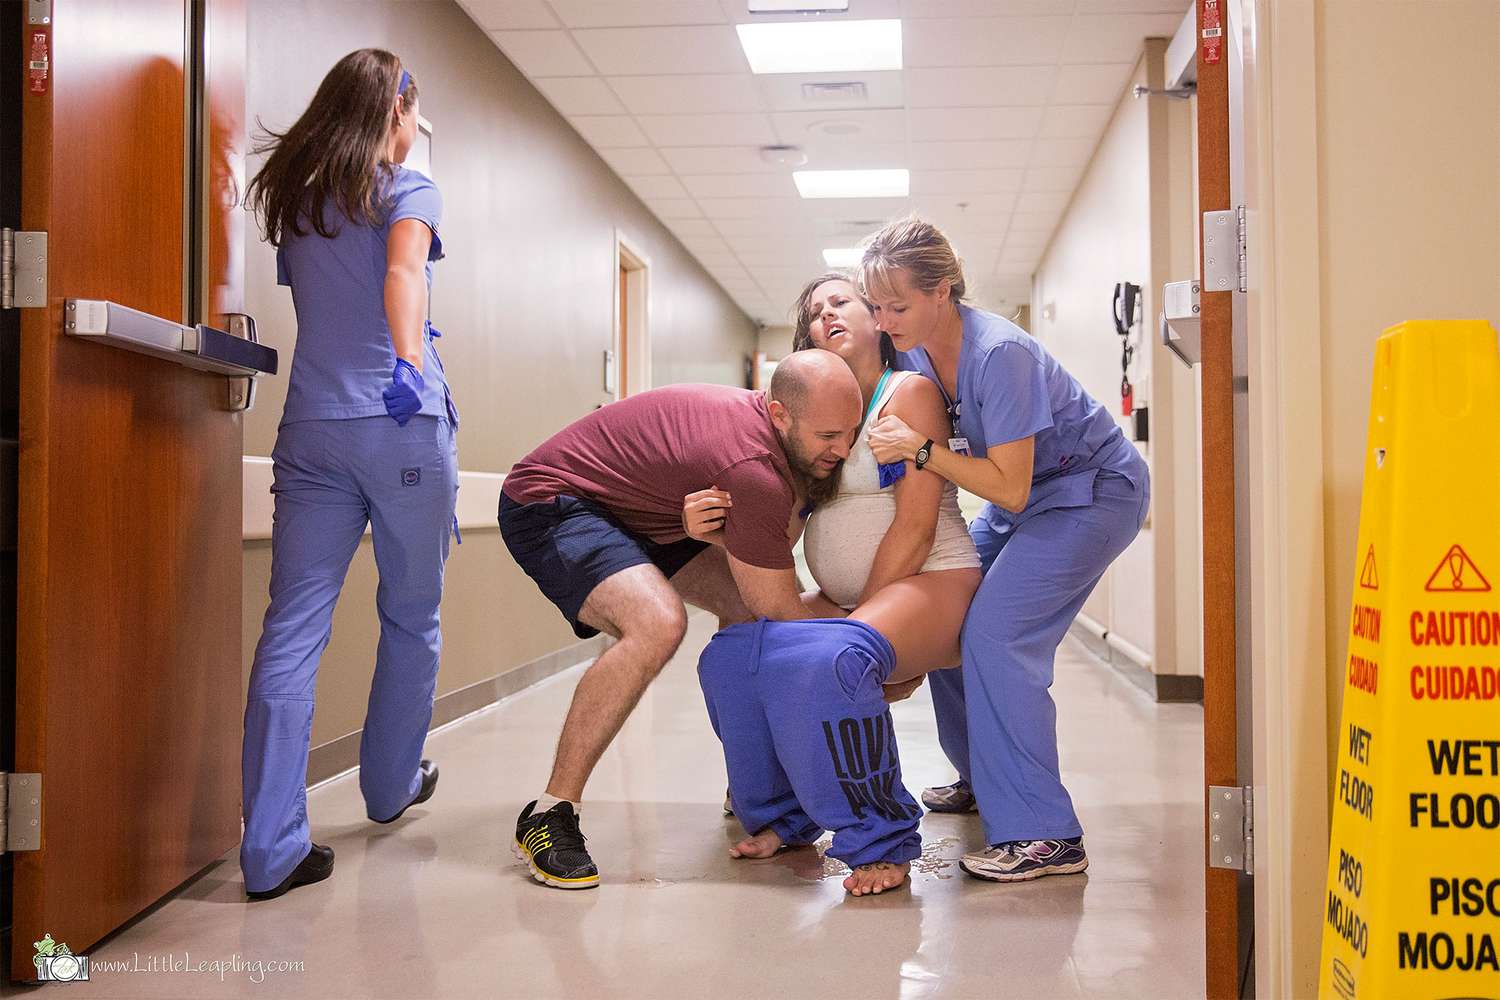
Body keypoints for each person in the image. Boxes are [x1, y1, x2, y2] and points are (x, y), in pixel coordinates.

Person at [499, 351, 863, 889]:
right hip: (553, 499)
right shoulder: (751, 468)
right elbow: (781, 608)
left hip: (646, 516)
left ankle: (752, 784)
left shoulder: (771, 444)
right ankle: (550, 813)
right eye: (829, 435)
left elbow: (762, 582)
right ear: (780, 414)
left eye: (852, 431)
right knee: (658, 623)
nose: (844, 449)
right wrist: (877, 651)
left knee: (741, 613)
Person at [860, 216, 1151, 883]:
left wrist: (923, 450)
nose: (885, 320)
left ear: (944, 291)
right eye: (876, 306)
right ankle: (984, 778)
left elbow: (1011, 489)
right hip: (1030, 493)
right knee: (946, 604)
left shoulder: (1000, 354)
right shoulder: (914, 355)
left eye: (897, 306)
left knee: (997, 633)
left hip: (1090, 493)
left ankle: (1046, 834)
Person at [239, 50, 456, 900]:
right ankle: (389, 786)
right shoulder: (407, 187)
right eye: (411, 115)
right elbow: (403, 272)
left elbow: (328, 301)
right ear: (396, 111)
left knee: (292, 629)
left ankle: (271, 848)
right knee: (410, 614)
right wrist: (407, 363)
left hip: (312, 433)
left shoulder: (300, 200)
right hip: (399, 426)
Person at [685, 273, 981, 896]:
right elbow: (777, 534)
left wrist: (863, 630)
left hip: (933, 578)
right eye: (816, 312)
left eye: (841, 301)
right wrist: (710, 532)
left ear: (878, 318)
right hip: (859, 600)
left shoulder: (909, 393)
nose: (828, 315)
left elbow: (916, 525)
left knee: (835, 659)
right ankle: (785, 819)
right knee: (734, 655)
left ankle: (883, 838)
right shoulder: (814, 424)